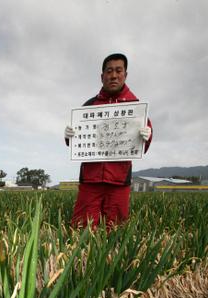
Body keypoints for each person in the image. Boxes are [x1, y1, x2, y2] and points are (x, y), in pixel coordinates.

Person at [65, 53, 152, 230]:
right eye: (109, 71)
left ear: (125, 75)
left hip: (119, 181)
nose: (113, 75)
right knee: (82, 229)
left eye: (118, 71)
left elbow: (142, 147)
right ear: (102, 76)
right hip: (91, 179)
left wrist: (147, 137)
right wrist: (69, 136)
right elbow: (74, 144)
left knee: (115, 231)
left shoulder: (136, 107)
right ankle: (82, 258)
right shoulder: (89, 106)